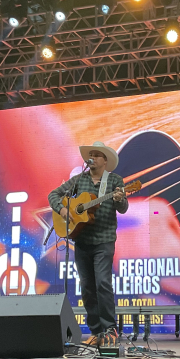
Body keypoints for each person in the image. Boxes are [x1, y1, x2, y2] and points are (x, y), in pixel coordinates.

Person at [48, 141, 128, 347]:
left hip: (104, 239)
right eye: (90, 154)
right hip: (82, 240)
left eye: (96, 155)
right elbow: (53, 195)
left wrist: (119, 199)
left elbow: (123, 208)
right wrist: (63, 210)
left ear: (105, 161)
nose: (91, 158)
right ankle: (96, 332)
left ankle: (110, 330)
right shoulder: (79, 180)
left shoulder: (114, 180)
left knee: (102, 283)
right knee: (87, 287)